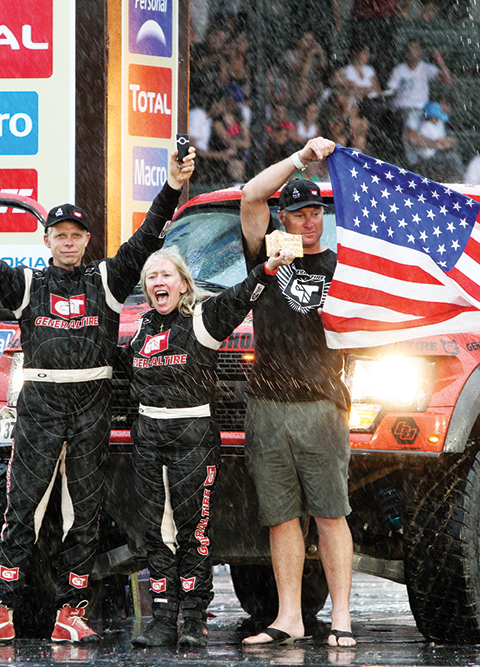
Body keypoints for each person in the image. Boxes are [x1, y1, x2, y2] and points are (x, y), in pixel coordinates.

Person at [0, 149, 195, 645]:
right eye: (59, 235)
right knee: (21, 510)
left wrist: (173, 185)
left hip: (91, 408)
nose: (68, 242)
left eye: (75, 235)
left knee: (83, 514)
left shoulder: (108, 278)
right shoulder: (27, 282)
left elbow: (149, 235)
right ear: (46, 241)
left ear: (87, 240)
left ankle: (72, 610)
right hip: (41, 409)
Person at [126, 246, 296, 648]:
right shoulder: (139, 327)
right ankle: (164, 619)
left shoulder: (203, 318)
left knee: (194, 531)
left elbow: (240, 295)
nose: (158, 283)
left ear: (183, 283)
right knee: (157, 531)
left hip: (193, 435)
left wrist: (266, 268)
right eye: (152, 277)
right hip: (148, 436)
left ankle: (193, 619)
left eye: (166, 275)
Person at [238, 137, 355, 648]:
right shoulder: (265, 257)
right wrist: (301, 159)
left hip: (321, 402)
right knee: (281, 517)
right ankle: (289, 617)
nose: (309, 222)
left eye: (316, 214)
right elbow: (249, 196)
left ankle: (344, 618)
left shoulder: (342, 267)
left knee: (331, 513)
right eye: (300, 213)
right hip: (266, 402)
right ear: (283, 218)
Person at [405, 100, 463, 183]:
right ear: (432, 116)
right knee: (453, 158)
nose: (437, 119)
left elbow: (441, 141)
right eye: (436, 117)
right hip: (427, 159)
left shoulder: (434, 125)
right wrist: (446, 143)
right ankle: (458, 180)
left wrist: (450, 141)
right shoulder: (426, 126)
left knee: (453, 156)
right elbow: (438, 142)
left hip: (433, 156)